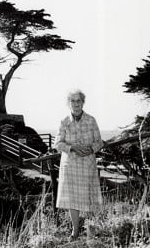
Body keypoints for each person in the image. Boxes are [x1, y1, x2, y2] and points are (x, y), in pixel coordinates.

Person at [54, 89, 103, 240]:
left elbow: (99, 142)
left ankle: (90, 231)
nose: (76, 104)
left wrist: (90, 149)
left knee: (89, 197)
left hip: (87, 164)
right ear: (69, 103)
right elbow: (57, 143)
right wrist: (72, 147)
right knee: (72, 200)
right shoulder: (64, 122)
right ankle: (75, 232)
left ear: (83, 102)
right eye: (73, 101)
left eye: (79, 101)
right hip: (70, 165)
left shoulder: (91, 120)